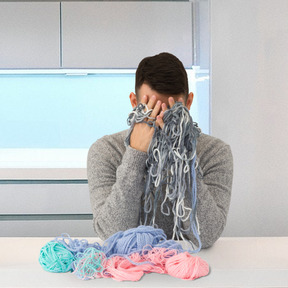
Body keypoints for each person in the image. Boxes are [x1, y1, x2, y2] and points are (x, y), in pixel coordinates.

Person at [87, 52, 233, 248]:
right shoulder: (106, 151)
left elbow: (205, 236)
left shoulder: (215, 153)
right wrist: (135, 155)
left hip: (189, 270)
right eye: (152, 110)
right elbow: (112, 234)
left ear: (188, 103)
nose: (160, 121)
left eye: (172, 113)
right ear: (134, 103)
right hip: (129, 272)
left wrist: (184, 156)